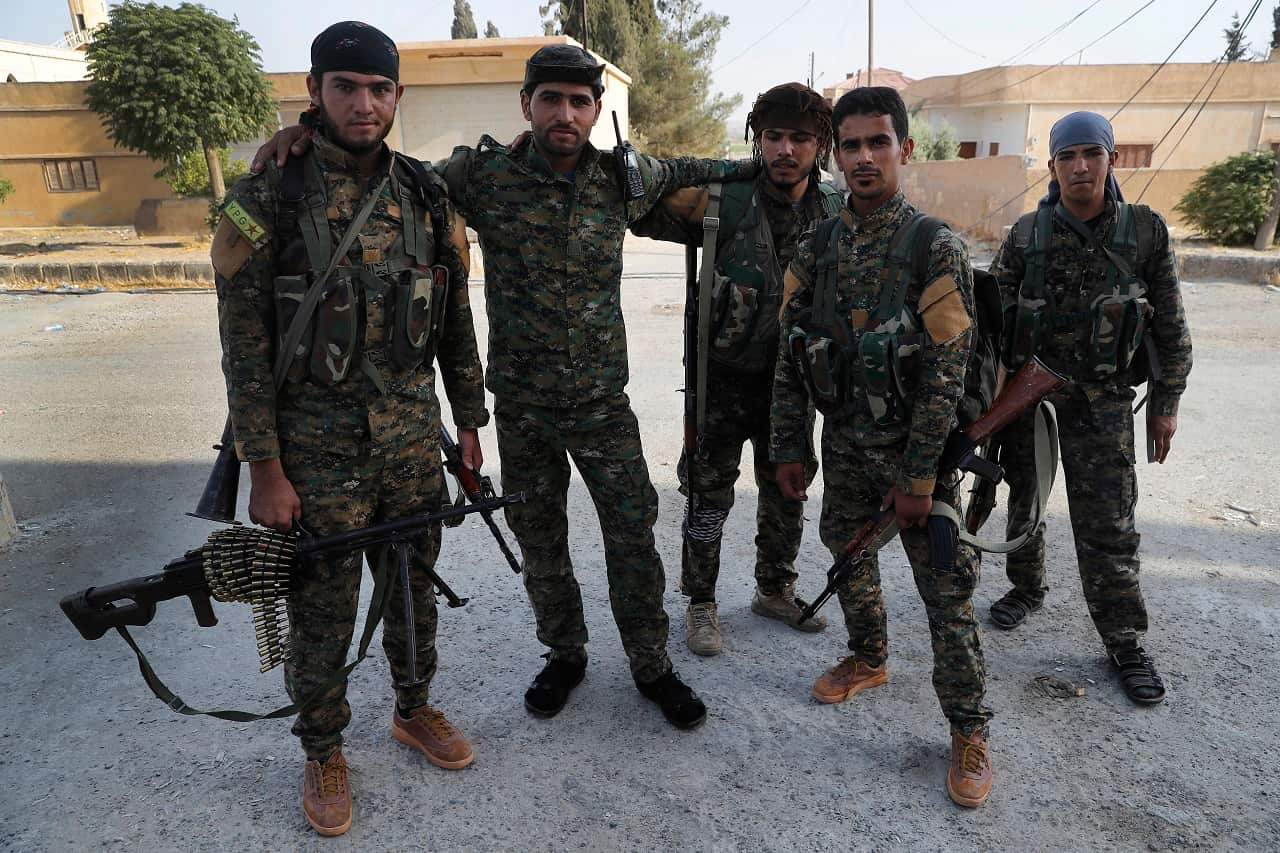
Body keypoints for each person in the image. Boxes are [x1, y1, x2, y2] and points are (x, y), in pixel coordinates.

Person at [257, 44, 759, 728]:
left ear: (596, 111)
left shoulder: (621, 179)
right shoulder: (483, 177)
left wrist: (772, 162)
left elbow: (710, 170)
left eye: (579, 102)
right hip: (523, 409)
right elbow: (387, 178)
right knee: (540, 537)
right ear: (526, 104)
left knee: (632, 535)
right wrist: (304, 133)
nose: (564, 113)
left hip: (603, 407)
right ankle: (564, 653)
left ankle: (652, 663)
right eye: (549, 98)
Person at [213, 21, 489, 836]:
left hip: (411, 441)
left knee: (410, 590)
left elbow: (454, 321)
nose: (364, 104)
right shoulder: (265, 198)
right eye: (346, 87)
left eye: (379, 89)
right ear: (315, 92)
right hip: (315, 453)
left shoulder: (428, 194)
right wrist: (265, 469)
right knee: (323, 606)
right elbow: (244, 351)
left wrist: (470, 423)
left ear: (398, 96)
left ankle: (413, 707)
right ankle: (324, 747)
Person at [771, 86, 993, 807]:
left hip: (915, 451)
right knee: (847, 547)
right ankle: (868, 655)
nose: (863, 158)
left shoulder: (935, 246)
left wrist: (921, 475)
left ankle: (968, 727)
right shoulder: (818, 244)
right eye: (851, 145)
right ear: (837, 155)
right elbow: (790, 352)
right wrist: (787, 446)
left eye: (878, 143)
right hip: (844, 445)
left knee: (944, 587)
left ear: (904, 148)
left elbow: (947, 370)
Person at [987, 111, 1192, 707]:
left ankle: (1124, 639)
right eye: (1067, 156)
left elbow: (1172, 326)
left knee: (1108, 524)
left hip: (1104, 403)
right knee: (1024, 502)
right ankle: (1026, 589)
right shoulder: (1027, 235)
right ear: (1052, 166)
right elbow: (991, 323)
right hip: (1032, 399)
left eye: (1091, 154)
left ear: (1111, 160)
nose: (1080, 166)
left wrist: (1166, 402)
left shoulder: (1146, 232)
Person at [629, 83, 842, 655]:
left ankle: (775, 588)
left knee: (788, 493)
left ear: (820, 144)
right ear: (758, 139)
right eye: (773, 136)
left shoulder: (835, 214)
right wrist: (702, 166)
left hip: (791, 392)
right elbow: (636, 202)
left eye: (800, 138)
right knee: (707, 498)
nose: (785, 150)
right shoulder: (720, 199)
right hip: (719, 383)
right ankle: (700, 602)